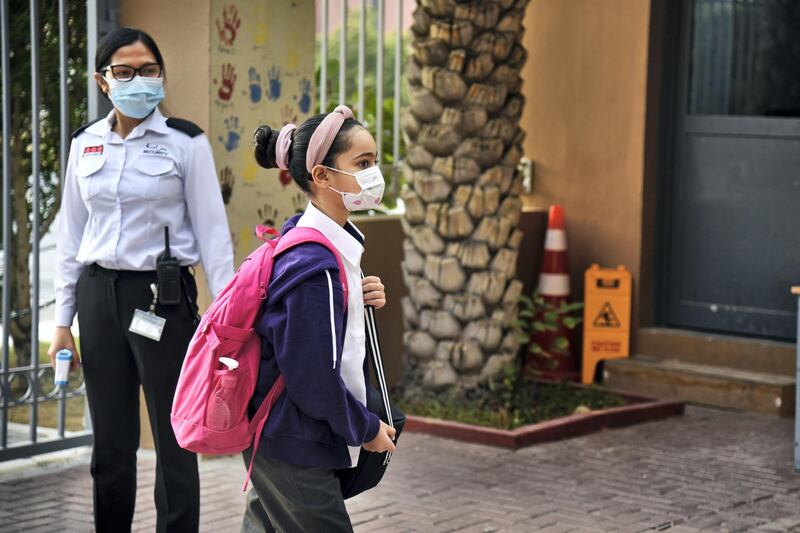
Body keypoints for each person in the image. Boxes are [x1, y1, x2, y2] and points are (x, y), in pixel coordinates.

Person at [47, 27, 234, 533]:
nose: (138, 80)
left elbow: (215, 238)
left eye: (148, 70)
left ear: (161, 75)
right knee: (110, 440)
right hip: (98, 295)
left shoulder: (186, 142)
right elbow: (71, 235)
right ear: (102, 81)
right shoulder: (84, 144)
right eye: (124, 71)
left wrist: (229, 320)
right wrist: (63, 321)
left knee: (176, 437)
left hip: (162, 298)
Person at [244, 105, 396, 532]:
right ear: (322, 176)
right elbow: (311, 375)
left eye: (375, 162)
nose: (373, 174)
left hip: (282, 435)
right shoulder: (316, 264)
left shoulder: (321, 245)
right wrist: (365, 429)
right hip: (293, 440)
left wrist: (358, 300)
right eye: (362, 164)